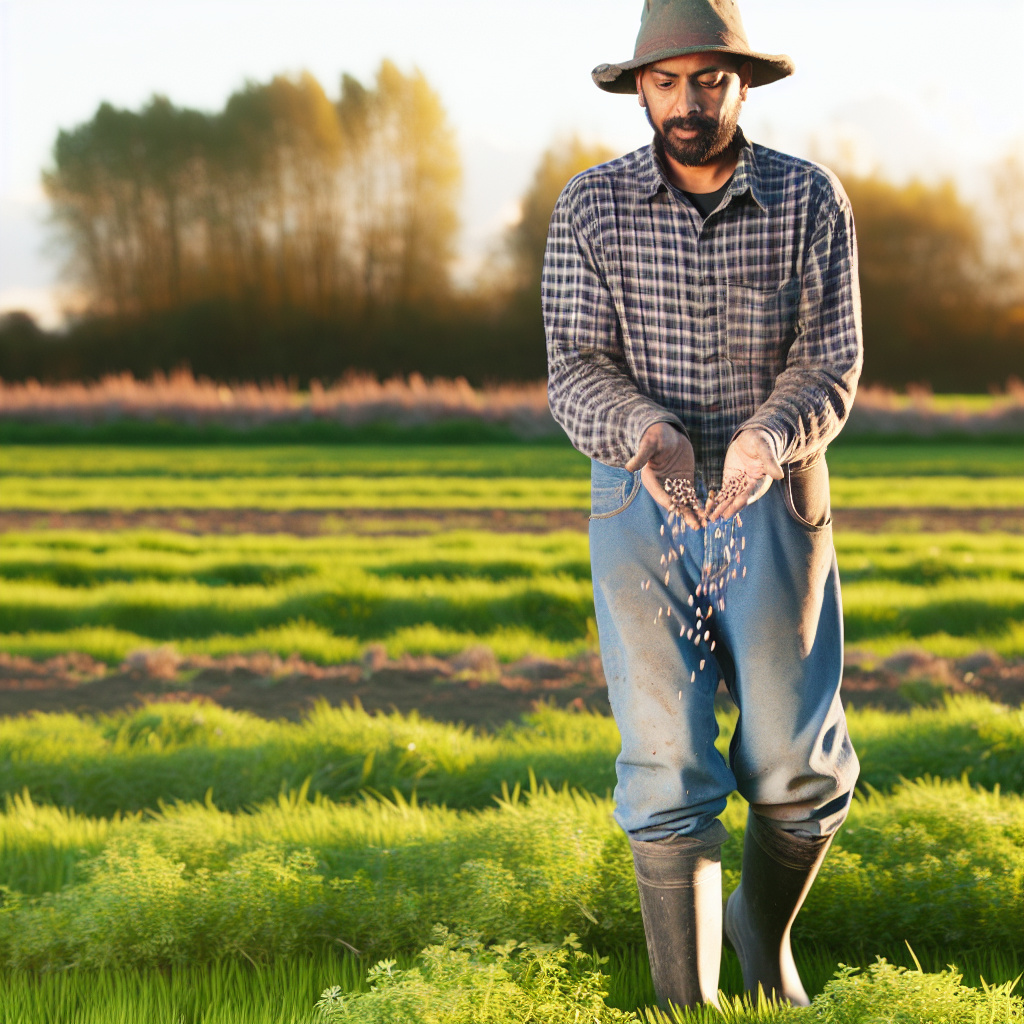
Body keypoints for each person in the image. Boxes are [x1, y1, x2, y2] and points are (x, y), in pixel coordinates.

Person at [542, 0, 863, 1011]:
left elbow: (830, 359)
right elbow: (573, 366)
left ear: (741, 83)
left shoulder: (811, 200)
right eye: (668, 80)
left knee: (792, 763)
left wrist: (767, 439)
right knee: (665, 759)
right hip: (643, 497)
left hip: (774, 491)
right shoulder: (590, 208)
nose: (689, 102)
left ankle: (760, 948)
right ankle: (687, 1006)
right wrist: (648, 433)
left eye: (709, 80)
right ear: (639, 85)